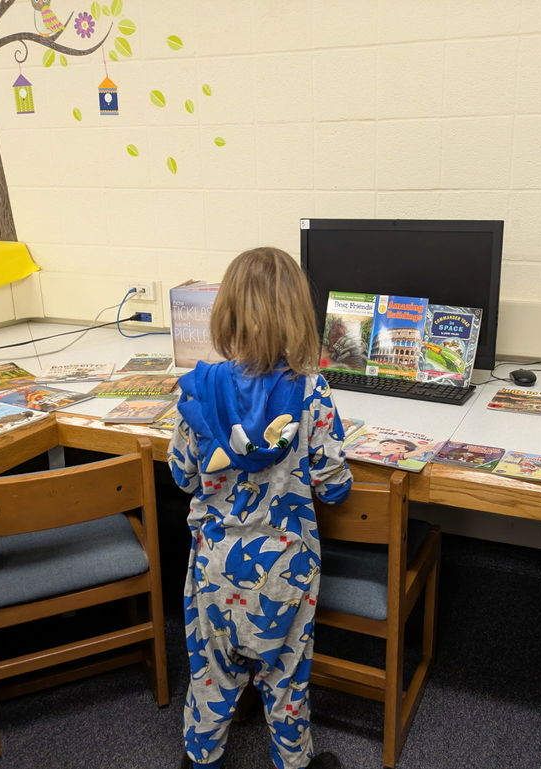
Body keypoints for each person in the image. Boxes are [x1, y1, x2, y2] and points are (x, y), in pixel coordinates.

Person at [169, 247, 353, 769]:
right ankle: (294, 762)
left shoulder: (198, 392)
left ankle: (201, 758)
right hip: (285, 571)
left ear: (225, 313)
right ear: (299, 315)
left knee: (209, 672)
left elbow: (182, 475)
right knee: (287, 677)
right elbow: (333, 485)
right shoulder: (312, 393)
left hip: (214, 567)